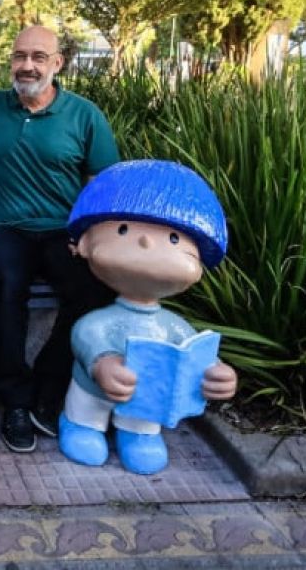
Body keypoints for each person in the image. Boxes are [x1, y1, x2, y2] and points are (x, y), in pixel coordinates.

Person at [0, 25, 119, 453]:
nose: (27, 66)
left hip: (63, 230)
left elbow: (103, 183)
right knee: (4, 288)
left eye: (38, 57)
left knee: (94, 290)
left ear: (58, 63)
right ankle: (15, 401)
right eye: (20, 56)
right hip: (4, 228)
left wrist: (87, 235)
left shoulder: (84, 115)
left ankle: (49, 385)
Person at [59, 160, 238, 474]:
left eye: (173, 238)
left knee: (143, 424)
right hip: (92, 392)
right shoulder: (101, 320)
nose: (145, 242)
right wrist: (102, 362)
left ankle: (138, 436)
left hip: (147, 401)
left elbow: (191, 354)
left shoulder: (172, 326)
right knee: (86, 410)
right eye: (124, 230)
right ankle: (79, 426)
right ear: (85, 243)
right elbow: (86, 334)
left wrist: (214, 371)